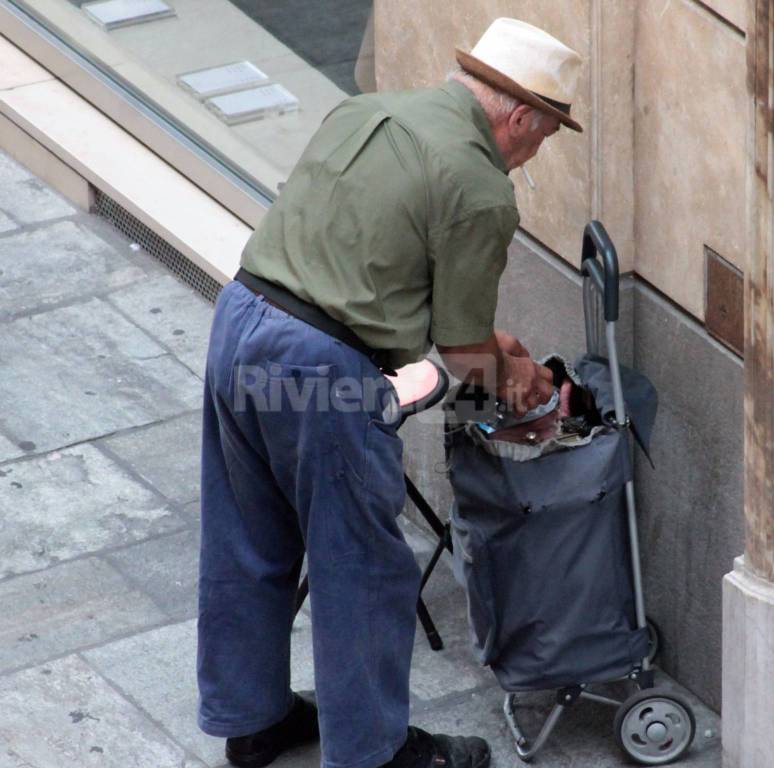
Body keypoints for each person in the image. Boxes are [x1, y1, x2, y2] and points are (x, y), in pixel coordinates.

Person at [197, 17, 583, 768]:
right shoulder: (479, 188)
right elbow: (466, 356)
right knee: (363, 568)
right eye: (549, 134)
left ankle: (253, 721)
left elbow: (397, 284)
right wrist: (513, 409)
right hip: (319, 366)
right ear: (521, 118)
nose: (540, 150)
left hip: (240, 319)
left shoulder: (369, 110)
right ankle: (376, 754)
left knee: (246, 539)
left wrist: (494, 354)